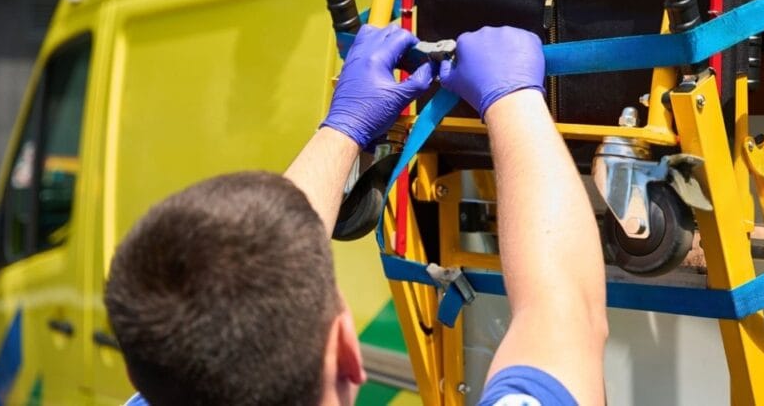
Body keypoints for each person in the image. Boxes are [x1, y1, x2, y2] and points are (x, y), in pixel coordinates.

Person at [105, 24, 608, 405]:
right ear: (347, 351)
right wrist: (513, 98)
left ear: (137, 381)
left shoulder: (173, 380)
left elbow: (565, 318)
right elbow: (562, 312)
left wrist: (345, 125)